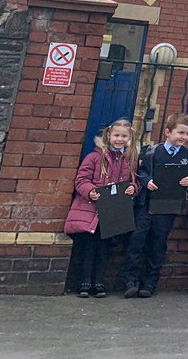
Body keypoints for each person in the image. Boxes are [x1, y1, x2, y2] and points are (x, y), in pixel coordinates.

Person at [123, 112, 188, 299]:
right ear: (167, 132)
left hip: (168, 207)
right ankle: (130, 281)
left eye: (187, 134)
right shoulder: (151, 152)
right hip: (146, 204)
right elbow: (140, 171)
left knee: (158, 244)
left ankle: (150, 283)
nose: (184, 137)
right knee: (137, 241)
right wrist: (147, 181)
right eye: (180, 132)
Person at [64, 119, 139, 298]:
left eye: (124, 136)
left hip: (112, 212)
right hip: (92, 209)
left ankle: (99, 281)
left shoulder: (130, 160)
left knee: (106, 249)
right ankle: (84, 282)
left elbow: (134, 182)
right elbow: (81, 180)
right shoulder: (94, 157)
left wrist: (133, 189)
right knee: (89, 247)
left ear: (129, 138)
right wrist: (90, 192)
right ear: (109, 135)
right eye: (116, 135)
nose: (119, 139)